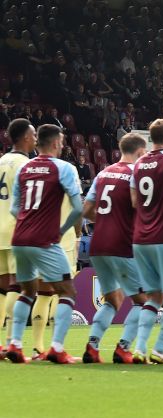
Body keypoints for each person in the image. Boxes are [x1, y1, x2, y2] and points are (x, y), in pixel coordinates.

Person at [5, 124, 83, 363]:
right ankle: (57, 349)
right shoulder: (64, 168)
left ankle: (15, 345)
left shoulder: (25, 168)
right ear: (56, 143)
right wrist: (61, 230)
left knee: (27, 291)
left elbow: (15, 208)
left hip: (19, 238)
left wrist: (28, 223)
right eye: (61, 141)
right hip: (44, 240)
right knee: (67, 292)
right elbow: (78, 208)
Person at [80, 133, 149, 364]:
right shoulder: (136, 175)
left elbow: (87, 210)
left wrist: (108, 220)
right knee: (144, 301)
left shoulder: (102, 173)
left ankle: (92, 346)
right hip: (123, 245)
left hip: (98, 244)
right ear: (140, 152)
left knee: (113, 300)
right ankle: (123, 348)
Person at [129, 119, 163, 364]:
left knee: (153, 297)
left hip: (141, 237)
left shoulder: (138, 163)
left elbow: (133, 201)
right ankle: (161, 348)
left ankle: (139, 349)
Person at [0, 119, 36, 358]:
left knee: (2, 289)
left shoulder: (1, 160)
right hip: (15, 230)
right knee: (18, 286)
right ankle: (12, 342)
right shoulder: (26, 165)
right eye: (33, 134)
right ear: (24, 137)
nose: (35, 139)